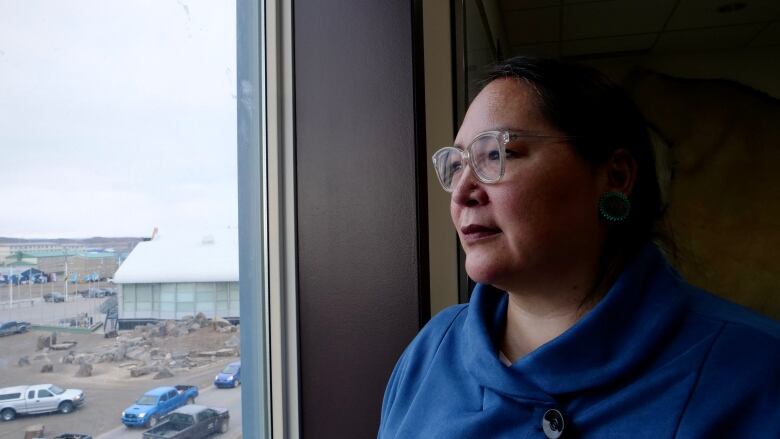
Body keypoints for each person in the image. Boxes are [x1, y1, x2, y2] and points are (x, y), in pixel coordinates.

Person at [378, 57, 780, 438]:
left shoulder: (756, 369)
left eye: (497, 154)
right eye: (457, 165)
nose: (462, 192)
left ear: (616, 176)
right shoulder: (430, 352)